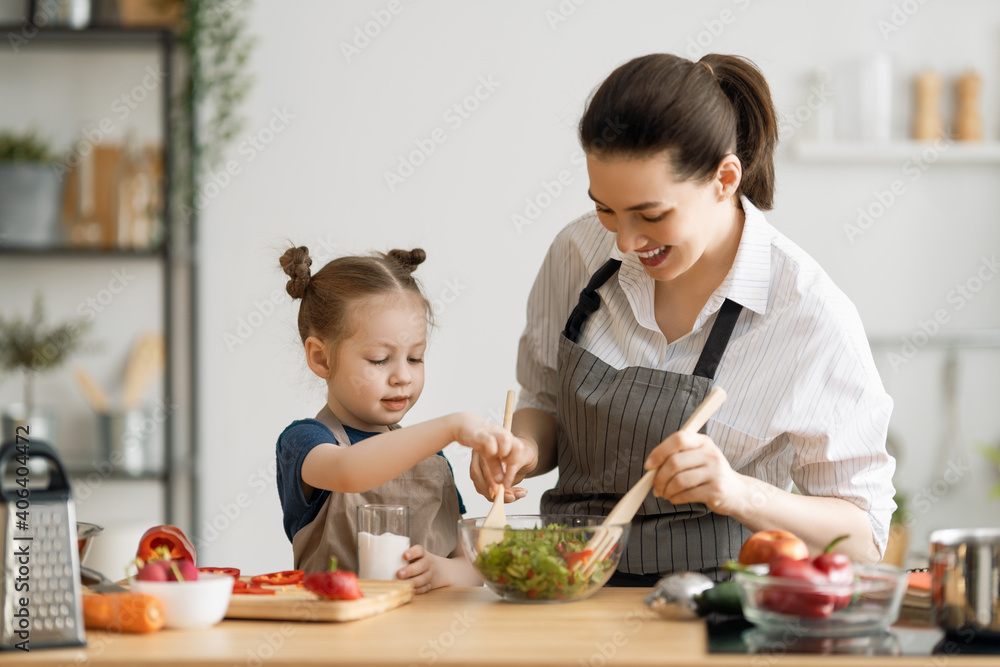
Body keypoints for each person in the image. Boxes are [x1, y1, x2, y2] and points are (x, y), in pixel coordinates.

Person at [472, 53, 896, 585]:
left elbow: (864, 537)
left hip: (717, 610)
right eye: (606, 208)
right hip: (569, 590)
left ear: (724, 178)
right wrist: (523, 449)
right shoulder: (578, 252)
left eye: (651, 216)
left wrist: (738, 492)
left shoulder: (808, 314)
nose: (625, 241)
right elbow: (545, 402)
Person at [275, 244, 523, 594]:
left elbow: (471, 564)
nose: (403, 376)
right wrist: (451, 426)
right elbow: (349, 472)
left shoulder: (431, 460)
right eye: (379, 359)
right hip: (337, 642)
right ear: (321, 359)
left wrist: (444, 571)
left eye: (416, 358)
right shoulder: (307, 441)